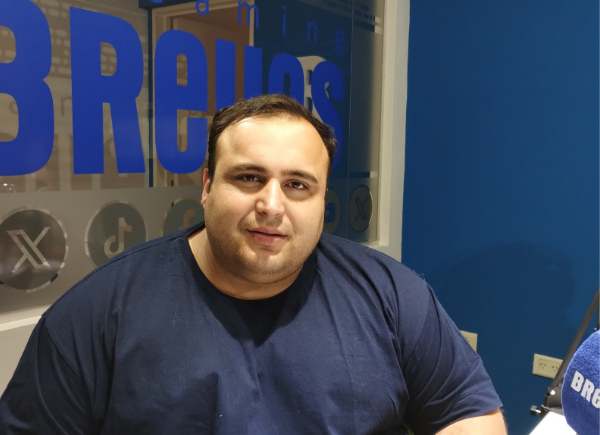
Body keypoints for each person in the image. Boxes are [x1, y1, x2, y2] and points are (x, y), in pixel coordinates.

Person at [0, 95, 506, 435]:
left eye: (297, 185)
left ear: (322, 201)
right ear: (206, 186)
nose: (271, 205)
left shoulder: (391, 295)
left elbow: (470, 414)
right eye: (248, 178)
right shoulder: (97, 314)